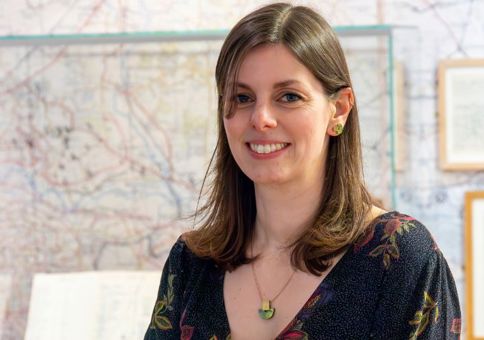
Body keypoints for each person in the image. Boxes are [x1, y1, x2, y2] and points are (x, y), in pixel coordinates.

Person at [144, 3, 461, 339]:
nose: (261, 118)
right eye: (242, 97)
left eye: (289, 96)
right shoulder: (191, 264)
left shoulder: (400, 258)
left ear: (338, 110)